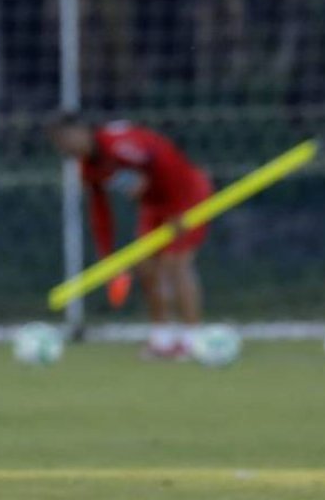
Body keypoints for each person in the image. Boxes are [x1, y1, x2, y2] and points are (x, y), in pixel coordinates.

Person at [48, 113, 213, 359]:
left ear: (81, 131)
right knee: (146, 267)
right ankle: (162, 338)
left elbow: (165, 159)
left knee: (175, 264)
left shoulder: (118, 145)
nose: (63, 147)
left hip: (186, 195)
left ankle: (193, 338)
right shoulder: (89, 167)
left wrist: (178, 210)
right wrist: (107, 256)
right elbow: (100, 213)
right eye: (57, 143)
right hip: (155, 205)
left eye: (65, 139)